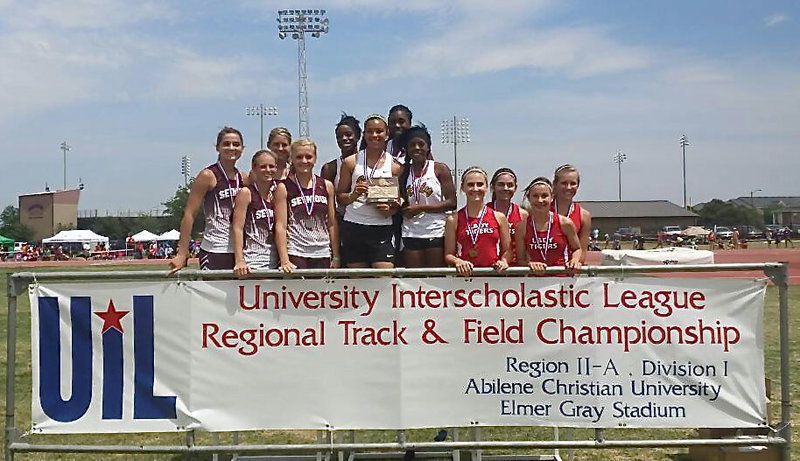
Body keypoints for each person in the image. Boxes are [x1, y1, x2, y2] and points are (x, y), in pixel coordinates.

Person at [169, 127, 245, 273]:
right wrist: (182, 253)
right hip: (214, 249)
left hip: (238, 251)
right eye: (226, 144)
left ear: (242, 149)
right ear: (218, 147)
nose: (231, 148)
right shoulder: (208, 175)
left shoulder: (243, 177)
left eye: (236, 144)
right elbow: (189, 215)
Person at [336, 114, 403, 268]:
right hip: (354, 225)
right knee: (358, 281)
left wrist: (391, 209)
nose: (374, 135)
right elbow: (340, 197)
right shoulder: (351, 162)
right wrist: (353, 195)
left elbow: (400, 199)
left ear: (386, 135)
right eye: (370, 131)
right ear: (364, 135)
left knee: (384, 277)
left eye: (379, 131)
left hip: (382, 227)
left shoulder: (395, 166)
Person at [275, 139, 340, 271]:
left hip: (322, 252)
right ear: (291, 159)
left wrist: (336, 256)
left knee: (323, 292)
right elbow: (281, 226)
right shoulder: (284, 187)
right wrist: (284, 259)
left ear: (315, 158)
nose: (304, 161)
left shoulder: (326, 185)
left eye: (308, 157)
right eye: (299, 157)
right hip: (296, 252)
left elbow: (332, 224)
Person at [398, 125, 456, 268]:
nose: (417, 148)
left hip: (435, 230)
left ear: (428, 147)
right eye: (412, 145)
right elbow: (401, 199)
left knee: (436, 279)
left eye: (421, 144)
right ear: (407, 149)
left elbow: (452, 202)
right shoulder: (403, 172)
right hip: (410, 232)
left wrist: (422, 208)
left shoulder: (439, 168)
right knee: (415, 280)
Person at [444, 167, 510, 276]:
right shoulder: (453, 219)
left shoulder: (499, 217)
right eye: (470, 185)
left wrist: (504, 261)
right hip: (465, 279)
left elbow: (507, 251)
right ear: (462, 188)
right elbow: (448, 254)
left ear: (486, 187)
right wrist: (458, 261)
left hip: (494, 278)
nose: (475, 188)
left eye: (480, 184)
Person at [515, 177, 582, 276]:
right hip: (535, 284)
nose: (540, 200)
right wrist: (530, 264)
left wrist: (575, 260)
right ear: (529, 198)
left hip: (562, 280)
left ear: (552, 197)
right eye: (535, 196)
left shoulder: (565, 223)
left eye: (544, 196)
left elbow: (577, 249)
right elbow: (520, 260)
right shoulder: (522, 227)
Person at [232, 150, 279, 277]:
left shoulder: (276, 193)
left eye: (271, 166)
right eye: (263, 166)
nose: (268, 170)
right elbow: (237, 228)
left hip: (275, 263)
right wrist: (239, 260)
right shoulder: (246, 193)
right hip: (253, 263)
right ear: (254, 168)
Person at [320, 113, 361, 218]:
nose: (344, 138)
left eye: (348, 134)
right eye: (339, 136)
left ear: (358, 136)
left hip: (367, 220)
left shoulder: (368, 162)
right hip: (342, 221)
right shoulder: (330, 168)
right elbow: (326, 202)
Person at [552, 164, 591, 263]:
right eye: (564, 183)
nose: (568, 187)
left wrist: (575, 264)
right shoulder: (542, 211)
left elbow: (582, 251)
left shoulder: (584, 215)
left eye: (573, 183)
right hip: (543, 272)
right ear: (555, 185)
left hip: (569, 273)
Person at [487, 168, 526, 266]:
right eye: (501, 184)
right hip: (490, 267)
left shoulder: (523, 214)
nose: (505, 188)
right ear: (493, 187)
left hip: (515, 269)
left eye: (510, 185)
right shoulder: (485, 211)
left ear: (515, 188)